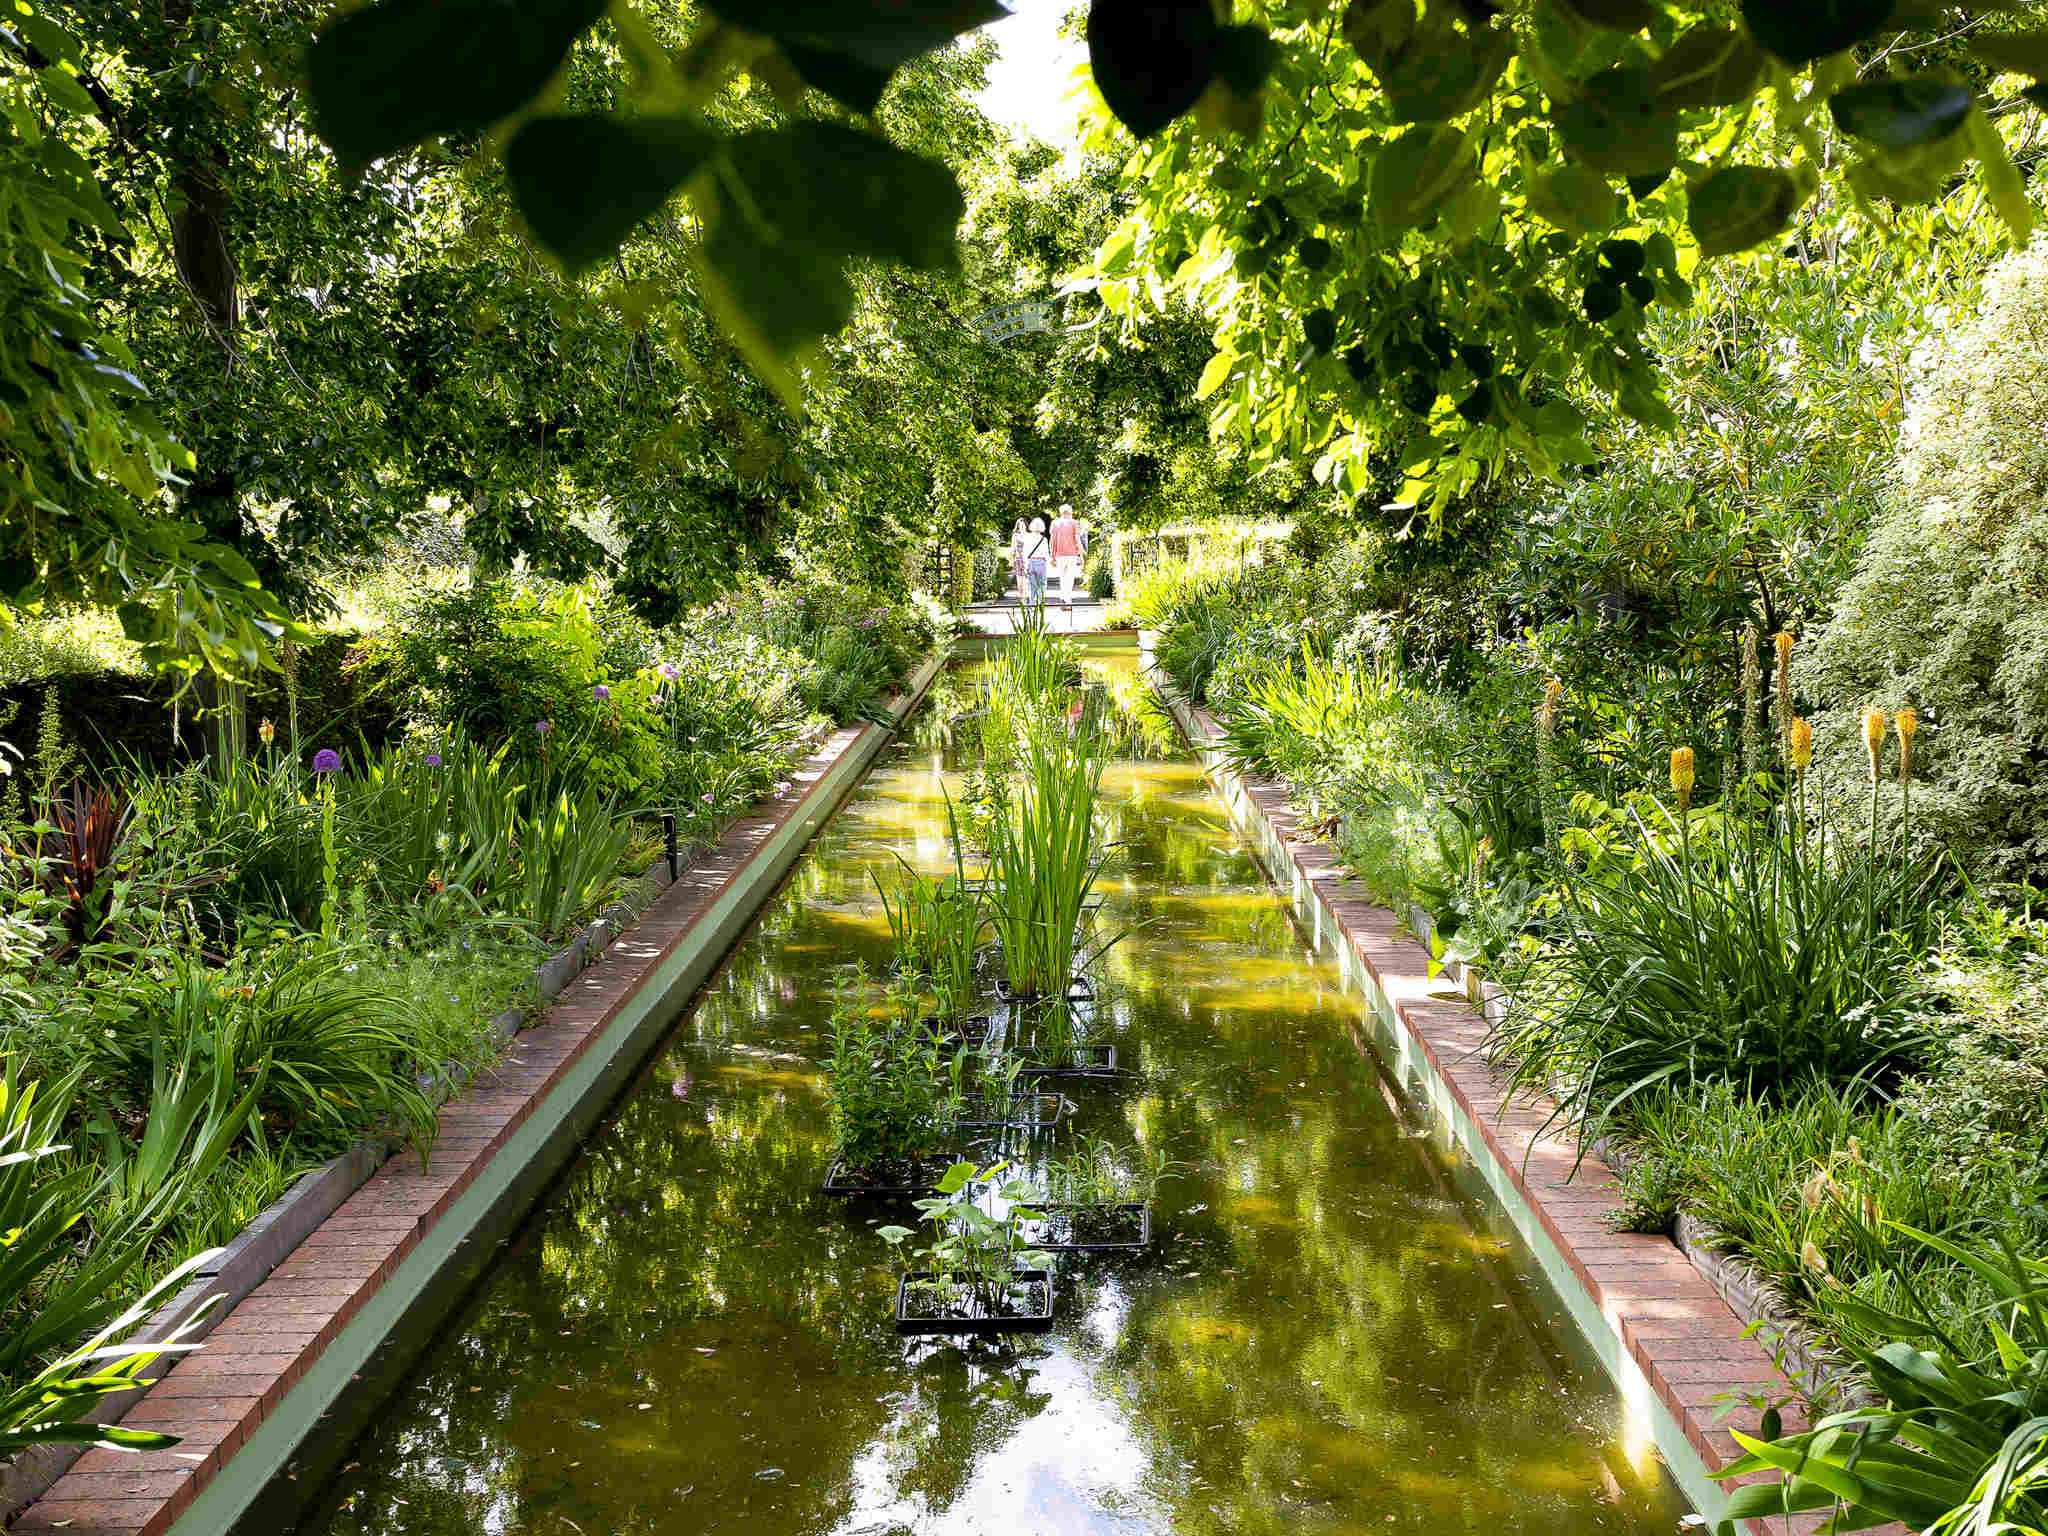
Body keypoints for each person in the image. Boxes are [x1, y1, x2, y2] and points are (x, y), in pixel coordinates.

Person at [1049, 503, 1085, 603]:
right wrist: (1081, 555)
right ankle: (1067, 600)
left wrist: (1052, 556)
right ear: (1070, 512)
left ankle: (1063, 598)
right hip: (1072, 555)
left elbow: (1052, 541)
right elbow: (1077, 539)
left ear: (1061, 512)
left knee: (1062, 577)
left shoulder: (1055, 523)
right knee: (1070, 578)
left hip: (1059, 555)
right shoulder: (1074, 523)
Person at [1019, 516, 1051, 607]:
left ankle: (1032, 602)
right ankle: (1040, 601)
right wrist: (1049, 563)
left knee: (1032, 585)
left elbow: (1024, 552)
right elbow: (1046, 553)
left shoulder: (1027, 538)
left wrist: (1025, 564)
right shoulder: (1043, 539)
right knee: (1042, 583)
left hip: (1031, 562)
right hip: (1041, 562)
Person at [1008, 517, 1029, 603]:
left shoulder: (1029, 536)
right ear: (1018, 527)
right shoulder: (1015, 536)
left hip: (1027, 561)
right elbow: (1012, 549)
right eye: (1020, 525)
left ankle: (1024, 598)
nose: (1022, 527)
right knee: (1019, 582)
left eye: (1023, 525)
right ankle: (1021, 597)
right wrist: (1010, 560)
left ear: (1026, 526)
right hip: (1018, 560)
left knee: (1025, 581)